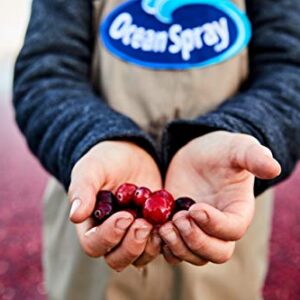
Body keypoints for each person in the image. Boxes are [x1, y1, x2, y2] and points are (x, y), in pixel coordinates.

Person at [13, 0, 300, 299]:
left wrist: (243, 130)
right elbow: (45, 74)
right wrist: (90, 137)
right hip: (91, 244)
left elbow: (290, 71)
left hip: (220, 227)